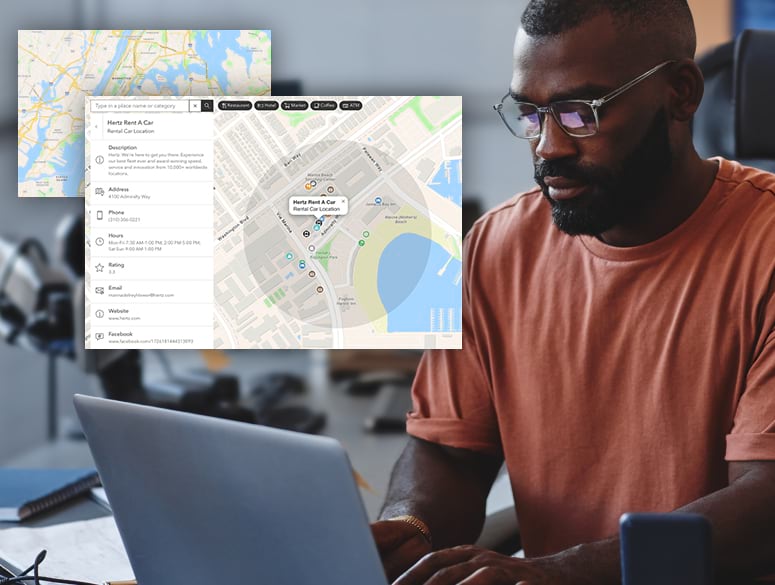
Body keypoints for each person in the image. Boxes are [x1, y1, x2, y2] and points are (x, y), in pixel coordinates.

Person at [371, 1, 775, 583]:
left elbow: (765, 505)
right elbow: (450, 450)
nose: (547, 147)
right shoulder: (497, 247)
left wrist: (562, 573)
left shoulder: (765, 248)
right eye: (530, 114)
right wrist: (411, 528)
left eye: (581, 112)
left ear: (682, 94)